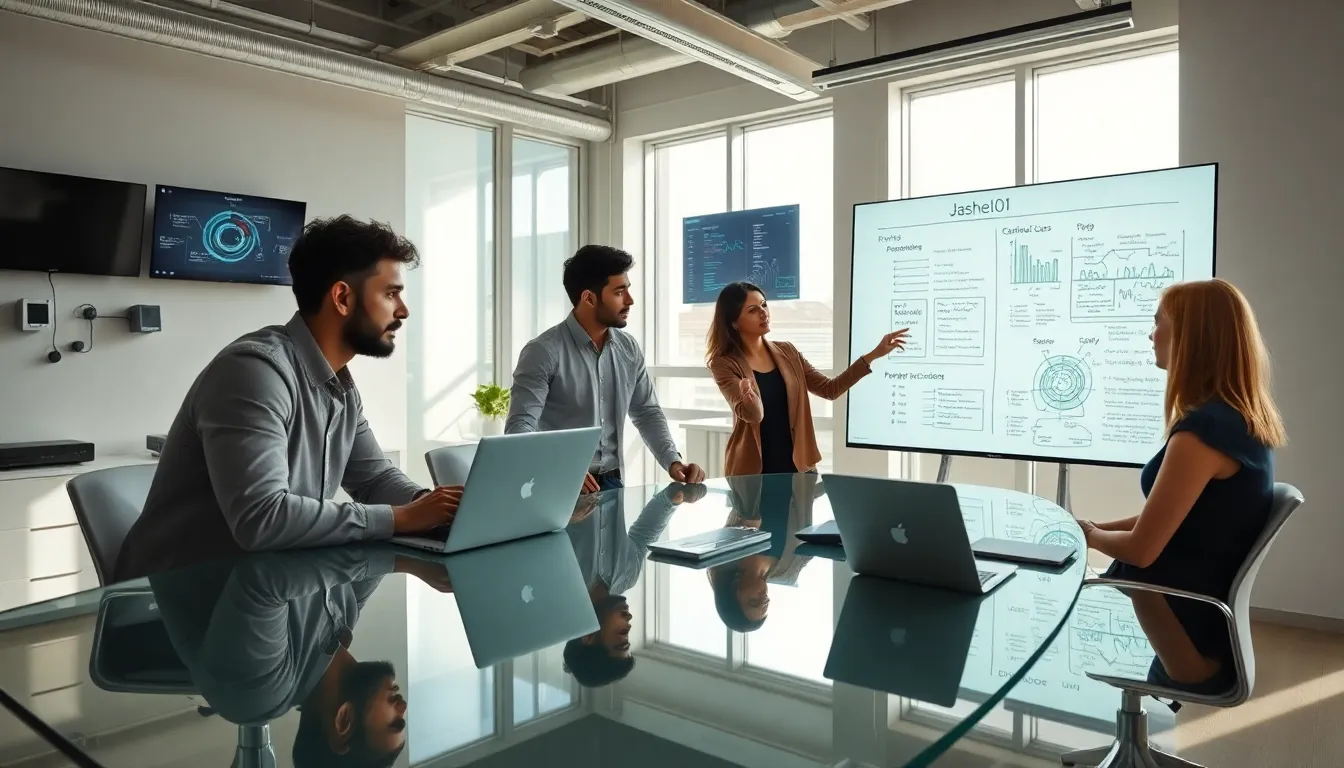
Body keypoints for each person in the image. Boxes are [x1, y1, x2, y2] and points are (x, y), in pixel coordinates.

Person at [116, 216, 462, 581]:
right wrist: (403, 517)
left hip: (262, 589)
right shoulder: (253, 372)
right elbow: (262, 518)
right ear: (342, 297)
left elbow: (373, 479)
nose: (403, 310)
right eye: (391, 293)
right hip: (172, 604)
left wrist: (441, 509)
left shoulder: (338, 385)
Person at [1078, 278, 1287, 694]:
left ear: (1190, 337)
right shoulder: (1239, 421)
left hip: (1192, 650)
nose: (1150, 334)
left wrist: (1090, 537)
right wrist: (1092, 528)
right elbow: (1177, 518)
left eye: (1158, 322)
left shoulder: (1201, 433)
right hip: (1199, 624)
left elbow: (1142, 549)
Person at [147, 546, 452, 767]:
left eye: (394, 722)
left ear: (344, 721)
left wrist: (399, 560)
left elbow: (263, 575)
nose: (403, 706)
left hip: (199, 504)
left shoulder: (261, 691)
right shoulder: (343, 620)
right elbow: (381, 543)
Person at [506, 245, 705, 492]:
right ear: (589, 297)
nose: (630, 300)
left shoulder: (628, 348)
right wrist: (560, 471)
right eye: (619, 292)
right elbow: (519, 429)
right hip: (560, 486)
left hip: (614, 483)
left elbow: (646, 412)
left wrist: (673, 461)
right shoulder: (543, 351)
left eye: (628, 290)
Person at [706, 281, 908, 476]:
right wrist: (747, 394)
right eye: (752, 310)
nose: (763, 313)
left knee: (801, 512)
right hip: (753, 470)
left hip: (797, 465)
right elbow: (753, 415)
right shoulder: (723, 364)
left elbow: (830, 389)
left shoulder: (788, 352)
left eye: (764, 304)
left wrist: (873, 354)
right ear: (734, 322)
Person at [561, 482, 695, 687]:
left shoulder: (558, 584)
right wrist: (672, 499)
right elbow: (644, 535)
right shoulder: (628, 575)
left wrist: (560, 517)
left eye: (622, 634)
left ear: (588, 637)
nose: (629, 620)